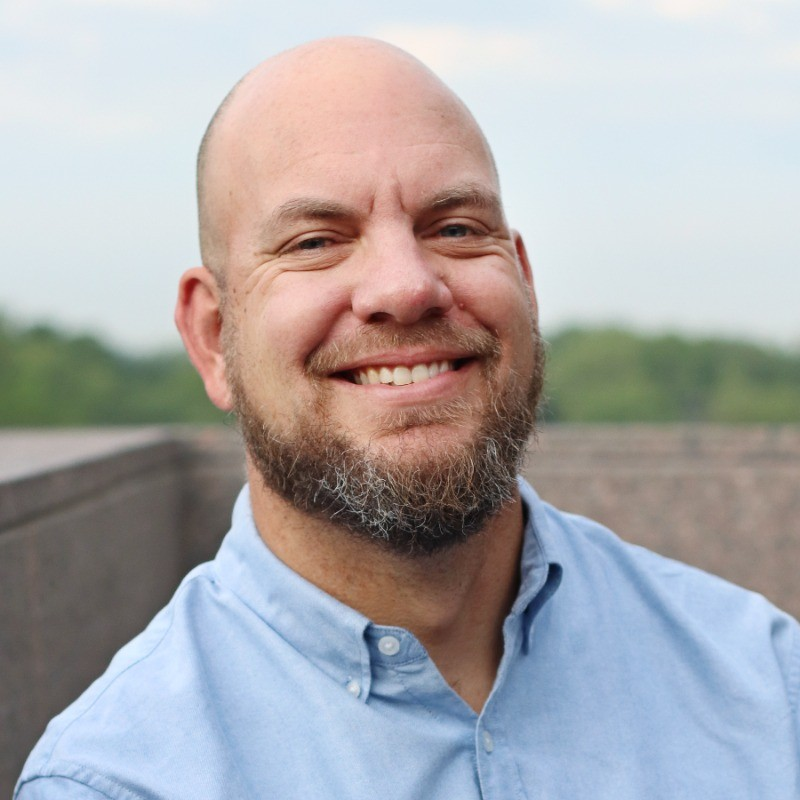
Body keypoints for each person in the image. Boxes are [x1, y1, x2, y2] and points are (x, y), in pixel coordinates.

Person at [15, 36, 799, 799]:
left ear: (525, 283)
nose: (407, 286)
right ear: (215, 337)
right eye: (316, 241)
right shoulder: (119, 781)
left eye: (454, 228)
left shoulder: (769, 686)